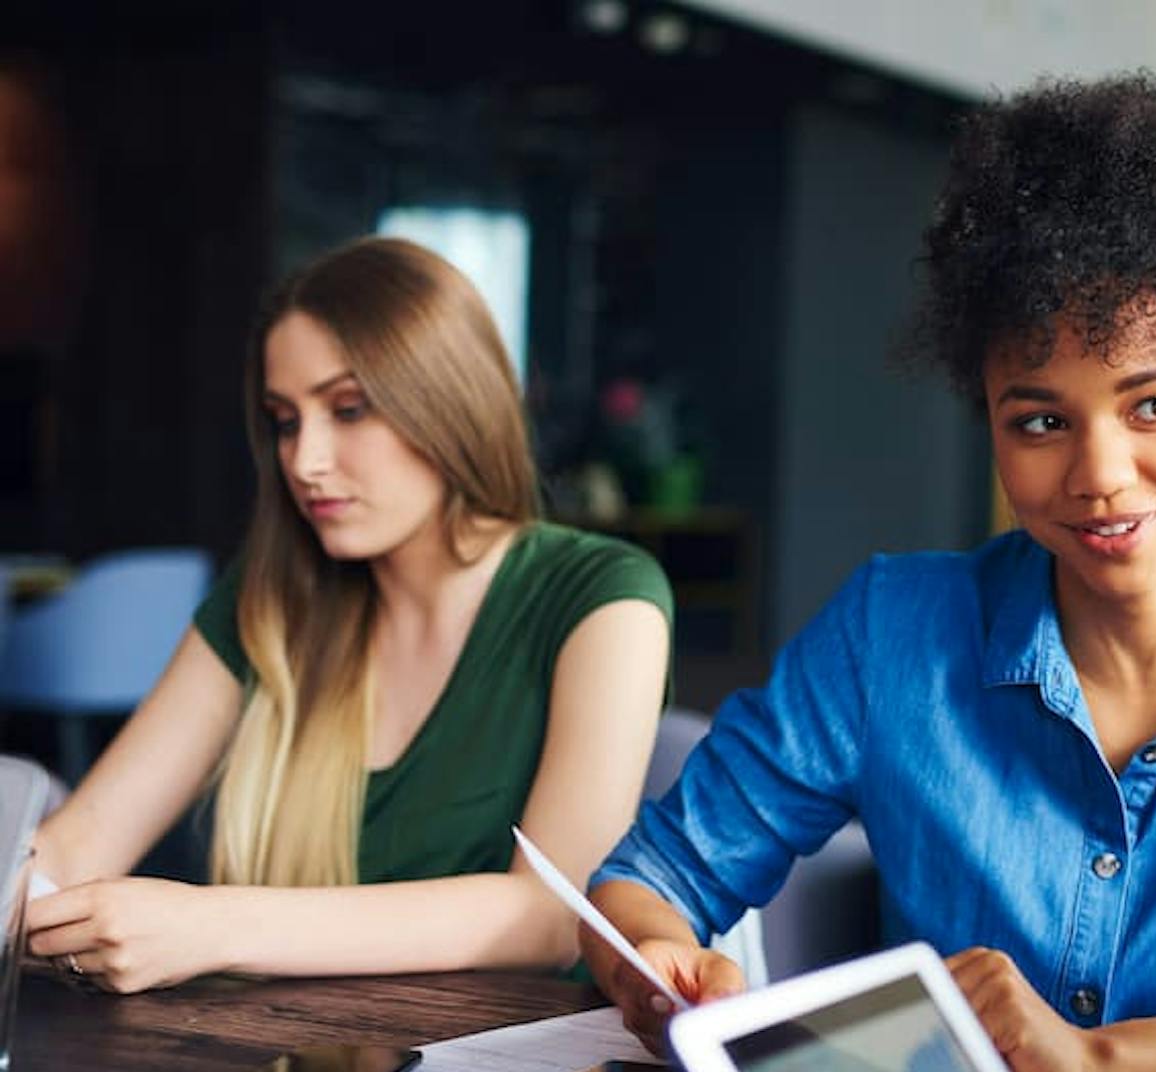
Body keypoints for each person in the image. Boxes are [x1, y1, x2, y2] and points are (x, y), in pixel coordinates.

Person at [583, 74, 1156, 1072]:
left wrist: (1100, 1064)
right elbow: (648, 879)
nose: (1097, 474)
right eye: (1039, 421)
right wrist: (659, 965)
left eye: (1154, 406)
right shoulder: (892, 634)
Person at [26, 237, 673, 992]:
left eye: (349, 409)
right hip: (293, 1069)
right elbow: (78, 844)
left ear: (449, 401)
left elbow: (550, 914)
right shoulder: (273, 596)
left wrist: (211, 926)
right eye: (286, 420)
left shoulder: (602, 595)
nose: (305, 460)